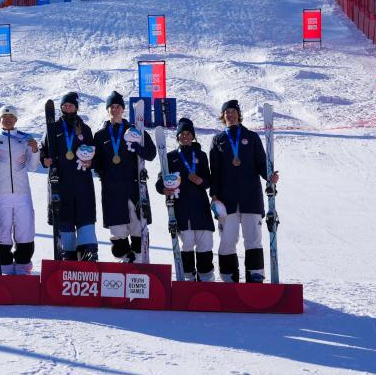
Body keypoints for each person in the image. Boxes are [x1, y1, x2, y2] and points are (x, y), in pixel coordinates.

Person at [208, 99, 278, 283]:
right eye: (227, 112)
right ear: (223, 116)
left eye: (233, 111)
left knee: (253, 239)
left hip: (251, 198)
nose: (230, 115)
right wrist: (214, 195)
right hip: (226, 200)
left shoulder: (252, 137)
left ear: (239, 114)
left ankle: (255, 274)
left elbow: (261, 163)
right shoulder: (218, 140)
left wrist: (269, 177)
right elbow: (214, 171)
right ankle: (228, 276)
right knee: (227, 240)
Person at [92, 91, 156, 263]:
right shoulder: (100, 136)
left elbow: (151, 154)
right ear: (107, 110)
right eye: (111, 107)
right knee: (117, 229)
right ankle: (123, 260)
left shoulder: (136, 130)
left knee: (138, 227)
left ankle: (139, 260)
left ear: (123, 109)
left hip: (134, 188)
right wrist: (94, 165)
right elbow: (95, 162)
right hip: (112, 190)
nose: (114, 110)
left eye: (118, 106)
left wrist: (138, 148)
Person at [0, 105, 40, 275]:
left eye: (11, 116)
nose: (8, 119)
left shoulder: (25, 139)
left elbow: (32, 167)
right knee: (3, 233)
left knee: (25, 232)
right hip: (1, 194)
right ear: (0, 120)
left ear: (16, 119)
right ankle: (4, 269)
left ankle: (23, 268)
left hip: (22, 194)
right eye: (4, 117)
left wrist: (35, 150)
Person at [40, 91, 98, 261]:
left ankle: (88, 253)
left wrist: (92, 162)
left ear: (76, 107)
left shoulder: (85, 129)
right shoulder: (53, 128)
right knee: (64, 218)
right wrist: (44, 159)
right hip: (61, 182)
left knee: (85, 217)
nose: (67, 107)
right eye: (64, 105)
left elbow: (95, 153)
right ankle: (67, 256)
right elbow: (43, 149)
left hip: (82, 183)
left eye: (70, 105)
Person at [158, 117, 215, 281]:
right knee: (186, 245)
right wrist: (164, 189)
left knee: (205, 245)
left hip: (201, 208)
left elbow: (209, 181)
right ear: (177, 136)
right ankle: (188, 279)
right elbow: (160, 181)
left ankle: (206, 278)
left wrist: (200, 181)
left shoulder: (201, 156)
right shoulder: (170, 157)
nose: (185, 136)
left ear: (193, 136)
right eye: (182, 134)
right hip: (181, 209)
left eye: (188, 133)